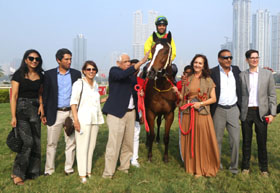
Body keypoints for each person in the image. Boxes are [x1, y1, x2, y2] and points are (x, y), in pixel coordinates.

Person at [102, 52, 149, 179]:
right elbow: (122, 75)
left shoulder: (132, 77)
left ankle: (124, 167)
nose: (128, 63)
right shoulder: (114, 71)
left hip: (131, 113)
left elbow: (135, 91)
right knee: (114, 144)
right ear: (118, 63)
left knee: (128, 143)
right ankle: (108, 173)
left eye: (129, 61)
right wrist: (142, 61)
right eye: (126, 61)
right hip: (116, 113)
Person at [174, 54, 219, 177]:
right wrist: (176, 92)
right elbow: (183, 97)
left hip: (202, 114)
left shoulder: (208, 80)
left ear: (204, 66)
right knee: (190, 141)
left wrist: (201, 104)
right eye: (195, 62)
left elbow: (214, 99)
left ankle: (201, 168)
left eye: (200, 63)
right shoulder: (187, 79)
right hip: (188, 114)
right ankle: (192, 167)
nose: (197, 65)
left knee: (202, 141)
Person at [42, 48, 81, 176]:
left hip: (71, 112)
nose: (69, 61)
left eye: (70, 59)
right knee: (51, 143)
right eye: (66, 59)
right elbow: (45, 95)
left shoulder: (76, 74)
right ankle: (49, 169)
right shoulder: (49, 75)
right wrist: (44, 114)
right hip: (55, 113)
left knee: (71, 142)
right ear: (58, 60)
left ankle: (68, 168)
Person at [239, 49, 276, 177]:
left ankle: (264, 169)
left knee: (262, 142)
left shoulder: (267, 74)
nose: (255, 59)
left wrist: (272, 114)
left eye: (257, 57)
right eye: (252, 57)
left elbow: (272, 95)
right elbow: (239, 95)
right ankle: (245, 167)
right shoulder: (242, 75)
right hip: (246, 112)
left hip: (262, 113)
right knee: (246, 142)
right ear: (247, 60)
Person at [10, 49, 44, 185]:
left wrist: (41, 105)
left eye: (36, 59)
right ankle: (17, 173)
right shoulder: (19, 75)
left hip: (36, 109)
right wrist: (13, 116)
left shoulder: (41, 76)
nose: (34, 61)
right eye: (31, 58)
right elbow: (14, 96)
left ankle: (33, 172)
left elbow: (40, 93)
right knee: (27, 142)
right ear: (26, 60)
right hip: (22, 110)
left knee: (36, 142)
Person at [70, 61, 106, 183]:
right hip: (82, 120)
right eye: (88, 69)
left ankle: (88, 171)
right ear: (84, 71)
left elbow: (93, 102)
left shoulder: (95, 85)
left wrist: (105, 99)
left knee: (91, 147)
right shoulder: (79, 84)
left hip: (94, 120)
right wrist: (76, 121)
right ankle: (82, 174)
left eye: (93, 69)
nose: (91, 71)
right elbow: (73, 103)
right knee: (82, 147)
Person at [210, 49, 242, 174]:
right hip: (218, 110)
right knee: (217, 139)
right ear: (219, 59)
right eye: (225, 57)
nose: (228, 60)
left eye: (230, 57)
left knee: (235, 139)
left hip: (234, 109)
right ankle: (217, 164)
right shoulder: (212, 72)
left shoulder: (237, 70)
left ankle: (234, 167)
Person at [129, 59, 143, 168]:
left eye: (137, 66)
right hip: (125, 111)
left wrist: (142, 114)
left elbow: (145, 100)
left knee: (136, 134)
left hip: (137, 111)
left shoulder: (142, 81)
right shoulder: (125, 78)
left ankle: (134, 158)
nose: (135, 68)